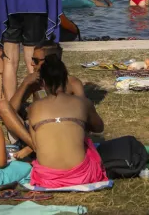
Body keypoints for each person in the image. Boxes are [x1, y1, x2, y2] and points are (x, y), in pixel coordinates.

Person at [26, 54, 107, 188]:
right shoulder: (82, 103)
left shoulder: (33, 108)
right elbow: (99, 128)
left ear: (43, 83)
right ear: (65, 79)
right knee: (86, 139)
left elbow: (36, 145)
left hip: (47, 178)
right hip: (82, 176)